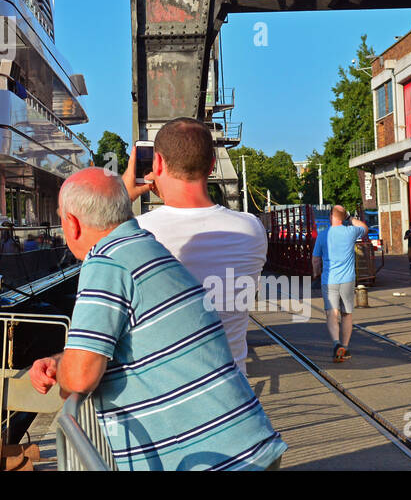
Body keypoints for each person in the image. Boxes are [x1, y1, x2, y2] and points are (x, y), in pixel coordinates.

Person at [29, 168, 287, 470]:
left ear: (72, 223)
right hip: (247, 449)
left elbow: (81, 377)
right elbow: (131, 340)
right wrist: (63, 361)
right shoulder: (147, 247)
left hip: (214, 462)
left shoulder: (106, 261)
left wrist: (62, 370)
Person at [121, 118, 268, 375]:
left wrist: (123, 196)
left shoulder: (137, 233)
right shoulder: (252, 229)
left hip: (169, 398)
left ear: (157, 164)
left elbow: (94, 265)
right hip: (234, 395)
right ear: (212, 166)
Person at [312, 205, 367, 363]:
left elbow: (315, 260)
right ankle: (346, 346)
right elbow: (364, 228)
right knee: (347, 314)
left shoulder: (323, 235)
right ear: (344, 218)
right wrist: (350, 219)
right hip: (348, 280)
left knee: (332, 313)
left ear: (331, 216)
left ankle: (336, 343)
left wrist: (316, 273)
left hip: (329, 280)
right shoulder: (351, 232)